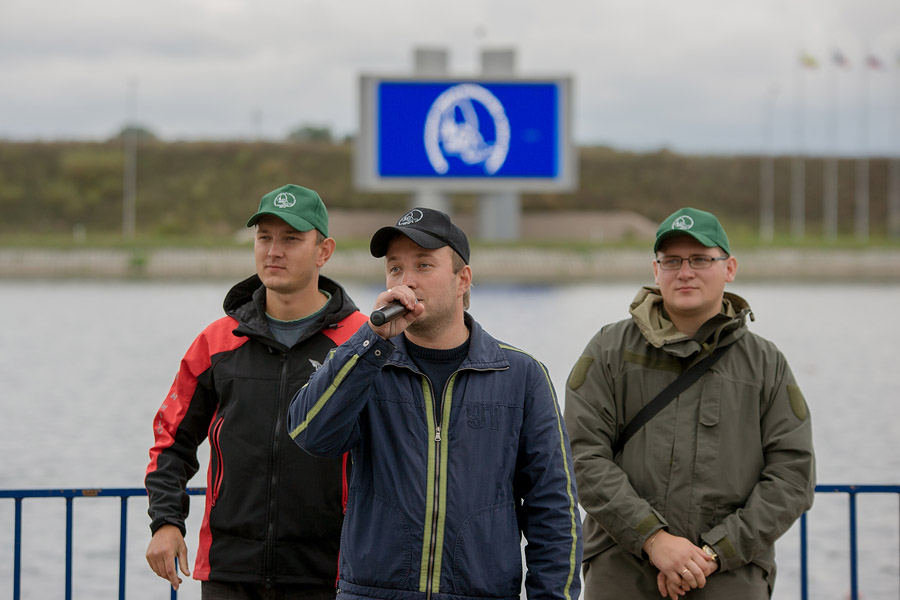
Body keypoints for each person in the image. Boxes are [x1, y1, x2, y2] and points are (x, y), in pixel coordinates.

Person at [287, 207, 582, 600]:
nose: (406, 281)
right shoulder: (366, 363)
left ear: (463, 280)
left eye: (424, 265)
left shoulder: (522, 376)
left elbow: (555, 511)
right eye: (395, 268)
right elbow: (308, 433)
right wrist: (370, 340)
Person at [564, 207, 815, 600]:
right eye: (672, 261)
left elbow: (792, 475)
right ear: (656, 270)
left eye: (700, 259)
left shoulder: (766, 363)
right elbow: (581, 455)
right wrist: (652, 539)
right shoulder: (609, 350)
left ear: (730, 268)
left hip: (731, 577)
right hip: (622, 572)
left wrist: (715, 553)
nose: (685, 272)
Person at [144, 184, 369, 598]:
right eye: (264, 237)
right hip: (229, 572)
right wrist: (166, 521)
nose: (273, 251)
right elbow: (171, 441)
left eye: (291, 239)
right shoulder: (217, 342)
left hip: (332, 573)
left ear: (324, 251)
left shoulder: (361, 342)